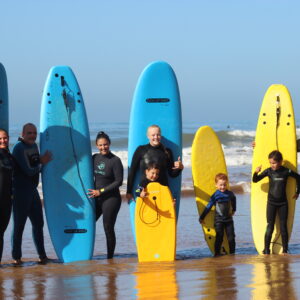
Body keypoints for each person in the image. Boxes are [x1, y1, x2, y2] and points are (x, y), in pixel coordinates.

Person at [11, 123, 52, 265]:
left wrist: (41, 162)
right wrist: (42, 162)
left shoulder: (34, 146)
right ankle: (16, 258)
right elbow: (29, 170)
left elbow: (35, 164)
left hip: (33, 191)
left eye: (34, 133)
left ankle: (42, 256)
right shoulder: (18, 148)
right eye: (29, 133)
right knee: (19, 226)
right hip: (20, 192)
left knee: (38, 224)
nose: (32, 136)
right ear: (23, 133)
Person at [252, 150, 300, 255]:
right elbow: (255, 180)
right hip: (271, 203)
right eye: (270, 163)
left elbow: (298, 178)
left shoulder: (286, 171)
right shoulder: (269, 171)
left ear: (280, 162)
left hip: (283, 203)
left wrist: (297, 192)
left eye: (274, 163)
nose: (272, 165)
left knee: (283, 226)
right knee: (270, 226)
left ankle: (285, 250)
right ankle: (266, 249)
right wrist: (256, 172)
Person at [87, 131, 123, 259]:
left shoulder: (115, 160)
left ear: (109, 144)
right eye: (100, 145)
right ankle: (85, 253)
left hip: (111, 199)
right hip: (97, 198)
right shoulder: (94, 158)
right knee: (88, 223)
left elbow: (119, 181)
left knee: (107, 227)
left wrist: (100, 191)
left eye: (105, 144)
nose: (103, 147)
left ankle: (110, 258)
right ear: (96, 145)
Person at [126, 124, 184, 201]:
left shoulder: (167, 152)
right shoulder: (141, 150)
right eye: (153, 135)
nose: (156, 137)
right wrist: (129, 191)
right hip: (144, 191)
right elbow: (132, 171)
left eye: (158, 135)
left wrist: (180, 168)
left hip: (163, 191)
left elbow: (172, 174)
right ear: (148, 136)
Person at [199, 173, 236, 257]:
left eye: (224, 185)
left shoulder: (230, 194)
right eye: (220, 185)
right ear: (216, 185)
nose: (222, 187)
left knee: (231, 237)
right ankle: (216, 254)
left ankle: (232, 254)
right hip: (219, 220)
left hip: (229, 219)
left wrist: (234, 209)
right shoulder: (215, 195)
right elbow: (209, 206)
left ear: (227, 184)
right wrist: (202, 217)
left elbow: (233, 199)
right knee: (219, 237)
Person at [0, 129, 14, 263]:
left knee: (1, 233)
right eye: (0, 139)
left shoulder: (9, 156)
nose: (3, 141)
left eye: (5, 138)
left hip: (6, 200)